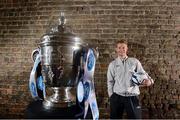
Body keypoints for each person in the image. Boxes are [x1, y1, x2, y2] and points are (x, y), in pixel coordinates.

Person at [107, 40, 154, 119]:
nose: (121, 49)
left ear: (127, 49)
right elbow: (110, 81)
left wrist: (150, 81)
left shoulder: (134, 62)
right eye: (119, 47)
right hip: (117, 96)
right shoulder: (113, 64)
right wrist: (111, 96)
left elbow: (144, 75)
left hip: (132, 96)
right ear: (116, 49)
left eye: (123, 47)